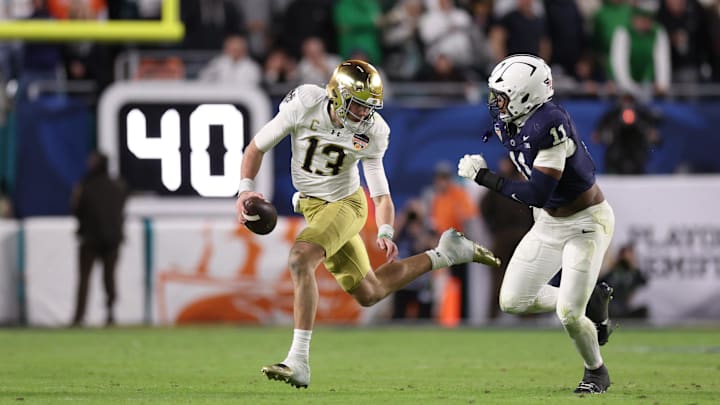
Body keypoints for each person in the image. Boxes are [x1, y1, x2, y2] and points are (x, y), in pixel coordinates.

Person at [235, 59, 500, 389]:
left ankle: (298, 360)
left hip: (347, 204)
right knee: (370, 291)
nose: (364, 114)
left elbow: (381, 194)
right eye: (358, 105)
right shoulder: (304, 103)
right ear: (337, 96)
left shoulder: (374, 131)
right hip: (314, 209)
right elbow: (256, 147)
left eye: (369, 107)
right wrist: (245, 189)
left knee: (301, 258)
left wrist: (387, 230)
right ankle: (446, 254)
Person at [456, 54, 616, 394]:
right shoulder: (512, 119)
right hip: (548, 223)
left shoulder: (550, 125)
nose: (495, 103)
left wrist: (484, 177)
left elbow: (537, 193)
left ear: (525, 96)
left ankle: (596, 371)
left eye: (502, 95)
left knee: (568, 315)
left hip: (584, 224)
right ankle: (588, 302)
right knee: (512, 301)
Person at [71, 151, 128, 327]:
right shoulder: (118, 185)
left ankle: (79, 317)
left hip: (90, 239)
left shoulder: (86, 185)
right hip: (112, 239)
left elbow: (76, 210)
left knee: (85, 279)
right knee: (109, 279)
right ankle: (110, 315)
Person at [601, 243, 648, 319]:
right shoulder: (613, 272)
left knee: (644, 310)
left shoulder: (635, 273)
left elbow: (644, 284)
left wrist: (633, 267)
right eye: (626, 255)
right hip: (612, 308)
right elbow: (602, 283)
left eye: (631, 255)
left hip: (628, 308)